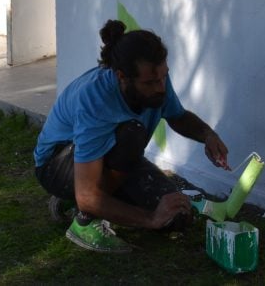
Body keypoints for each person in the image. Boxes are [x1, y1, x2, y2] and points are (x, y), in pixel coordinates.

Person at [33, 20, 230, 253]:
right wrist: (149, 218)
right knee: (132, 134)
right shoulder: (95, 100)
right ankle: (84, 220)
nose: (161, 88)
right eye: (150, 82)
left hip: (108, 159)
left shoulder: (157, 81)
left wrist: (208, 135)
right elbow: (88, 195)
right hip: (57, 164)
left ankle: (80, 199)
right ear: (122, 77)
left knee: (177, 217)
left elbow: (178, 116)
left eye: (163, 76)